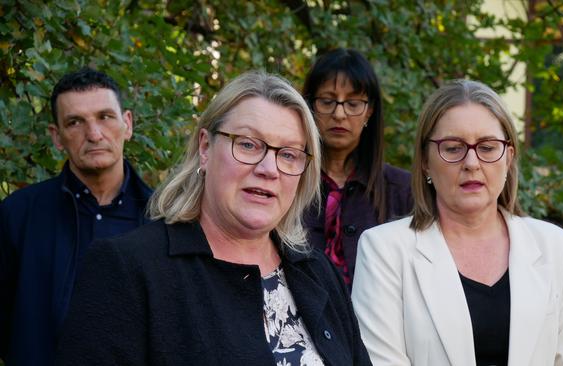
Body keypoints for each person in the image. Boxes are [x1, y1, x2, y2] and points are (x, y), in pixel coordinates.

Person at [56, 71, 371, 365]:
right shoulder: (127, 269)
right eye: (248, 144)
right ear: (205, 148)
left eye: (288, 154)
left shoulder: (317, 271)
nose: (268, 169)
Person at [351, 79, 563, 366]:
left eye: (488, 147)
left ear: (509, 157)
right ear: (426, 160)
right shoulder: (384, 251)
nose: (472, 163)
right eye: (453, 148)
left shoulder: (556, 248)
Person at [0, 67, 152, 366]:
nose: (94, 134)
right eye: (75, 122)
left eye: (105, 117)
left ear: (128, 123)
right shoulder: (18, 215)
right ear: (57, 137)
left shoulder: (164, 219)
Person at [302, 48, 413, 286]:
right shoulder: (287, 180)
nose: (339, 114)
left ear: (369, 111)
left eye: (353, 103)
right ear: (310, 106)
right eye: (327, 101)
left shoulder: (404, 190)